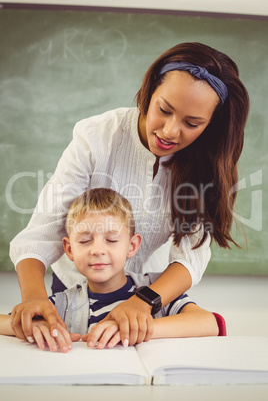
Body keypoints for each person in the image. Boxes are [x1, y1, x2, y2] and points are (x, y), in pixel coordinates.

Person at [9, 42, 249, 348]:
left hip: (155, 292)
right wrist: (33, 299)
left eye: (192, 124)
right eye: (164, 110)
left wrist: (144, 301)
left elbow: (191, 255)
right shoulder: (97, 136)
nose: (170, 132)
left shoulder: (208, 162)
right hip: (77, 286)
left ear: (210, 125)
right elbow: (43, 232)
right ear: (149, 92)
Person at [1, 189, 219, 352]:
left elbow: (209, 323)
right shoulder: (63, 304)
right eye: (85, 241)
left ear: (132, 246)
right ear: (69, 249)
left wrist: (141, 328)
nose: (97, 250)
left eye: (111, 240)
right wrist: (31, 324)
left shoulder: (153, 290)